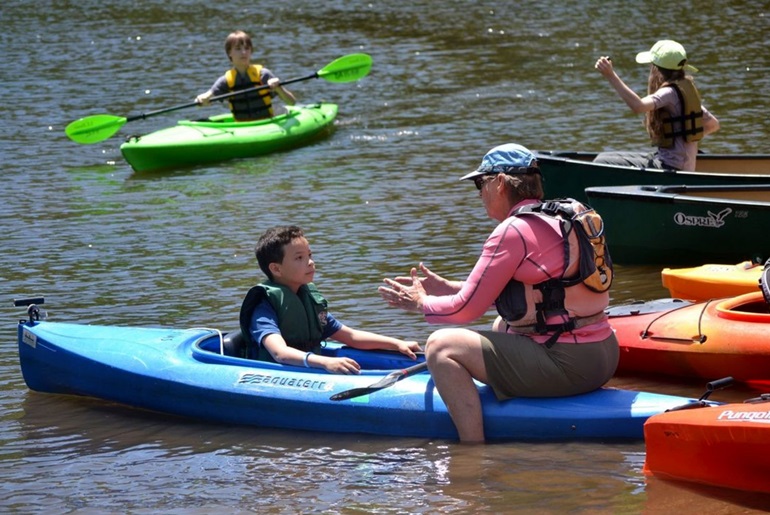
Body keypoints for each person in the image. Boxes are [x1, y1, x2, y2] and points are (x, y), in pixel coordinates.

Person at [378, 143, 619, 443]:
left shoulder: (512, 231)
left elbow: (463, 312)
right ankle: (509, 408)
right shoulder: (563, 217)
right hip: (606, 356)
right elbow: (542, 295)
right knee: (501, 326)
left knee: (441, 346)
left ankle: (472, 448)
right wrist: (451, 288)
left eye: (481, 183)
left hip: (570, 364)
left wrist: (421, 302)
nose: (479, 193)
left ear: (500, 183)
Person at [238, 225, 421, 374]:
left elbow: (350, 336)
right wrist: (326, 362)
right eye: (299, 258)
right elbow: (280, 353)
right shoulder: (264, 307)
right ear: (276, 269)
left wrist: (397, 344)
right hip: (277, 374)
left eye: (309, 255)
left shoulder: (308, 298)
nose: (310, 262)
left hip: (309, 366)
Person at [594, 39, 720, 171]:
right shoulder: (684, 89)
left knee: (601, 161)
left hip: (671, 166)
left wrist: (610, 75)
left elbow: (638, 106)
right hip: (677, 163)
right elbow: (713, 124)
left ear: (657, 70)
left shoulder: (669, 92)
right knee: (605, 156)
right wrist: (686, 142)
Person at [195, 30, 296, 121]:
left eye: (247, 48)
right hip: (243, 127)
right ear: (229, 53)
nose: (243, 52)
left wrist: (278, 88)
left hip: (267, 122)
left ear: (251, 51)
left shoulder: (264, 74)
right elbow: (205, 98)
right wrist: (200, 100)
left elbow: (291, 102)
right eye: (238, 49)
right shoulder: (225, 81)